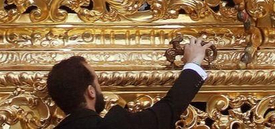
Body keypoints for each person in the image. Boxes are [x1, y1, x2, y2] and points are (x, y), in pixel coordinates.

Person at [46, 38, 207, 128]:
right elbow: (169, 109)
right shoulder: (114, 125)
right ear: (91, 91)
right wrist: (194, 62)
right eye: (97, 81)